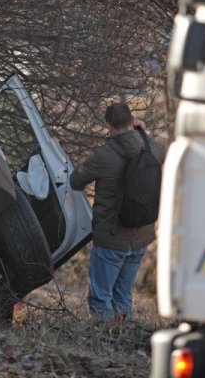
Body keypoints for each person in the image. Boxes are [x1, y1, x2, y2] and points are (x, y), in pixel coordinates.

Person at [69, 103, 165, 322]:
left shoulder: (104, 156)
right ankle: (122, 339)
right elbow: (164, 148)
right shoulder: (153, 149)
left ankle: (103, 339)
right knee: (122, 297)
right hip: (141, 237)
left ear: (108, 126)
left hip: (111, 239)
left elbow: (75, 181)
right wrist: (143, 133)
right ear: (132, 120)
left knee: (101, 298)